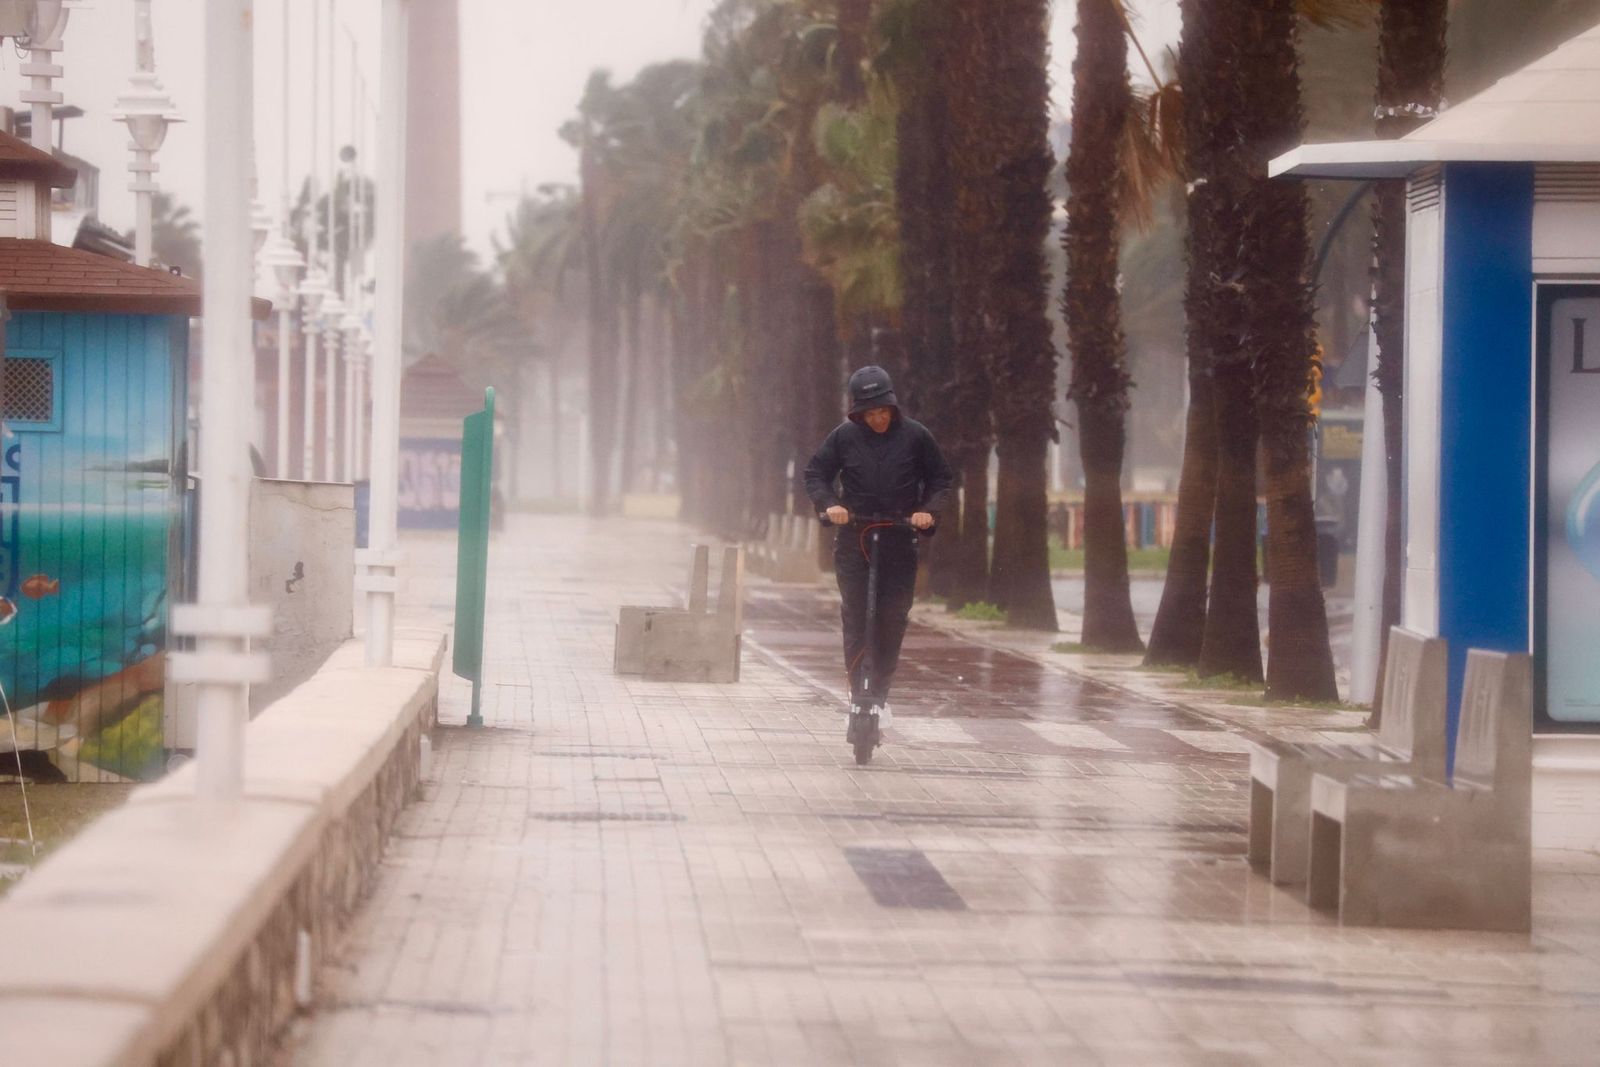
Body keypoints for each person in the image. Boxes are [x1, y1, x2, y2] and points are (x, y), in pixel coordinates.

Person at [803, 366, 954, 731]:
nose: (878, 419)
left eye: (883, 411)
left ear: (893, 406)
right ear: (859, 413)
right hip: (855, 539)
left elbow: (940, 479)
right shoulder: (843, 438)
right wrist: (830, 505)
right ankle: (858, 696)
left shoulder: (917, 437)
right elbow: (816, 474)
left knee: (891, 618)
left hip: (900, 538)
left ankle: (880, 695)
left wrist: (926, 512)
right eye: (870, 414)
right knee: (856, 615)